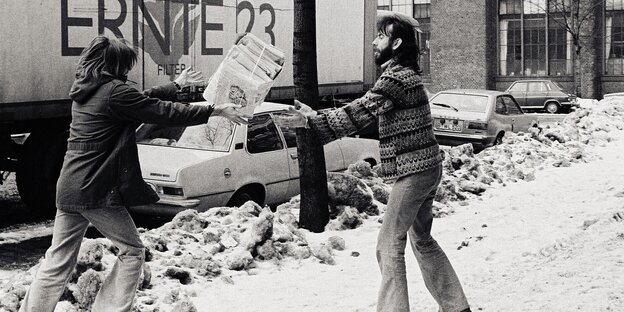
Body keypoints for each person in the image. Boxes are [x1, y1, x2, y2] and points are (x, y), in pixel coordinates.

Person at [19, 35, 250, 312]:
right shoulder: (115, 93)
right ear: (116, 65)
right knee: (132, 251)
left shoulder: (85, 90)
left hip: (69, 187)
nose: (127, 71)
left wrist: (175, 86)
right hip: (95, 191)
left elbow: (140, 100)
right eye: (126, 65)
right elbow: (163, 112)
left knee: (57, 262)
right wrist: (214, 110)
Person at [280, 12, 471, 312]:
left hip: (416, 172)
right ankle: (457, 306)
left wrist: (312, 122)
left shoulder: (395, 78)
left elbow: (359, 112)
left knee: (388, 246)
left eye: (381, 36)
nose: (373, 40)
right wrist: (315, 117)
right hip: (428, 167)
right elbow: (367, 113)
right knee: (422, 239)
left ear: (395, 44)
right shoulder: (406, 75)